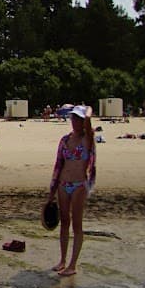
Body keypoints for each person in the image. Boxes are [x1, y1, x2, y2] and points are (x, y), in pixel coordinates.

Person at [47, 105, 96, 277]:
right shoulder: (65, 140)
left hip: (79, 185)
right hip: (63, 184)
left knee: (77, 224)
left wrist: (87, 111)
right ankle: (62, 260)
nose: (75, 121)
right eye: (73, 118)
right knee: (64, 222)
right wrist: (52, 191)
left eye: (78, 119)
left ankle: (73, 264)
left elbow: (89, 118)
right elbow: (58, 165)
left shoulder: (88, 139)